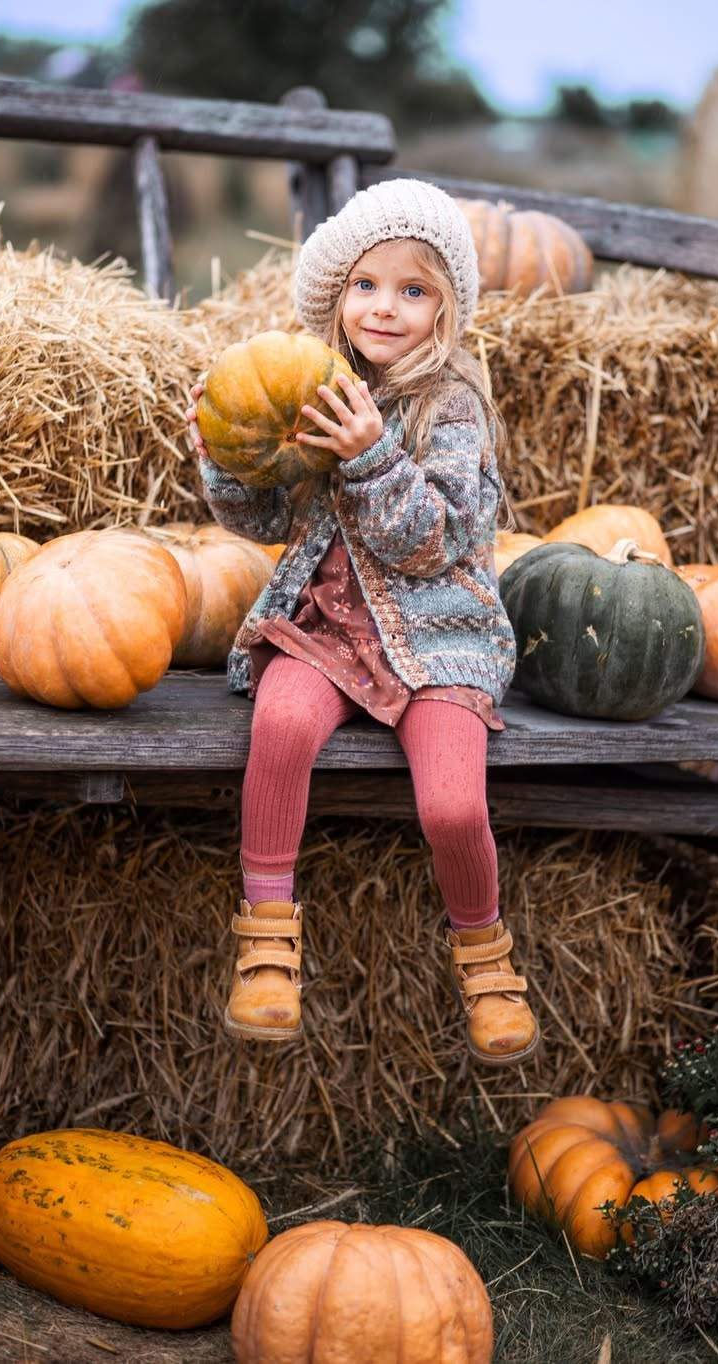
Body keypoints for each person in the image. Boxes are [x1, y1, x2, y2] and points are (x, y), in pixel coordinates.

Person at [184, 177, 539, 1066]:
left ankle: (486, 962)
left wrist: (372, 454)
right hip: (328, 629)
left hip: (439, 636)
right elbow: (269, 522)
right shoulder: (315, 386)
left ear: (446, 307)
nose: (387, 308)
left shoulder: (453, 407)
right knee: (283, 720)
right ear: (338, 299)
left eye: (414, 290)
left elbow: (440, 543)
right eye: (368, 286)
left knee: (453, 803)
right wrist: (226, 459)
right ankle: (267, 944)